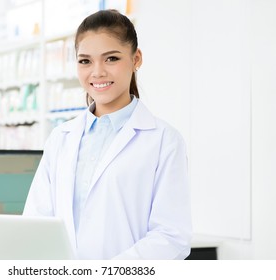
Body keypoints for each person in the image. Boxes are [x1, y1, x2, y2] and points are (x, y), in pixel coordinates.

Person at [23, 9, 192, 259]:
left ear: (136, 59)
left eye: (111, 58)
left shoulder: (164, 140)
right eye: (85, 61)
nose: (98, 72)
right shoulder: (61, 138)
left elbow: (171, 236)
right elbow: (35, 224)